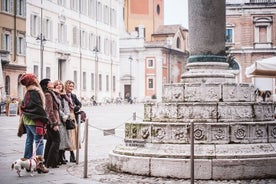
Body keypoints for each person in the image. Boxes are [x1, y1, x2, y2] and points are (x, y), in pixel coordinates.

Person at [19, 73, 49, 173]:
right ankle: (39, 164)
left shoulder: (28, 91)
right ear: (33, 80)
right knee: (39, 142)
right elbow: (37, 108)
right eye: (35, 78)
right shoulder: (34, 92)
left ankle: (27, 162)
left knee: (29, 140)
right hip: (34, 120)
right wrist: (45, 118)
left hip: (27, 120)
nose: (37, 79)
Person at [40, 79, 61, 168]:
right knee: (56, 140)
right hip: (52, 121)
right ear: (46, 85)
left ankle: (47, 162)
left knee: (50, 141)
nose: (52, 83)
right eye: (50, 82)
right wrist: (54, 123)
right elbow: (49, 111)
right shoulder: (48, 94)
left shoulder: (50, 93)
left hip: (50, 121)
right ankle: (52, 162)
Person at [53, 80, 71, 165]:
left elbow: (66, 106)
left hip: (64, 121)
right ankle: (58, 158)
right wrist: (63, 115)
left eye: (60, 85)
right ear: (55, 86)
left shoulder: (64, 96)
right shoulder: (55, 96)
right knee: (59, 140)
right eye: (57, 85)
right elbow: (56, 108)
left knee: (64, 140)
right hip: (59, 119)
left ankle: (62, 157)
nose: (59, 86)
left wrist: (67, 115)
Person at [64, 80, 82, 162]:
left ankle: (72, 155)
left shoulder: (73, 96)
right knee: (67, 136)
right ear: (66, 86)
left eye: (72, 86)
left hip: (73, 116)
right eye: (69, 86)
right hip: (66, 117)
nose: (71, 88)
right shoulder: (63, 95)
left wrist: (76, 108)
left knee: (73, 136)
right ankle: (63, 154)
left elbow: (79, 104)